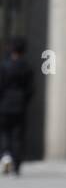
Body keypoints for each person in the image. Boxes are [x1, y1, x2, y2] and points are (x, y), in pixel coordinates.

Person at [0, 36, 35, 176]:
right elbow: (30, 89)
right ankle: (17, 164)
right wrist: (24, 101)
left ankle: (5, 155)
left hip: (4, 105)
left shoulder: (4, 66)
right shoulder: (27, 67)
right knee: (18, 135)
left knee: (4, 133)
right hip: (20, 105)